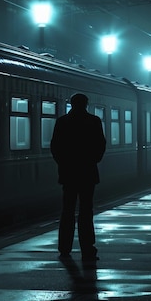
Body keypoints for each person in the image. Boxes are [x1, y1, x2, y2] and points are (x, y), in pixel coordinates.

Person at [50, 93, 106, 262]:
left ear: (71, 104)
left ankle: (64, 247)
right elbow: (100, 145)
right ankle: (87, 248)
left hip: (69, 173)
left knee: (67, 211)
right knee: (86, 212)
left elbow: (55, 147)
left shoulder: (62, 122)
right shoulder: (94, 121)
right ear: (86, 104)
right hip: (88, 173)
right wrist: (91, 160)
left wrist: (64, 163)